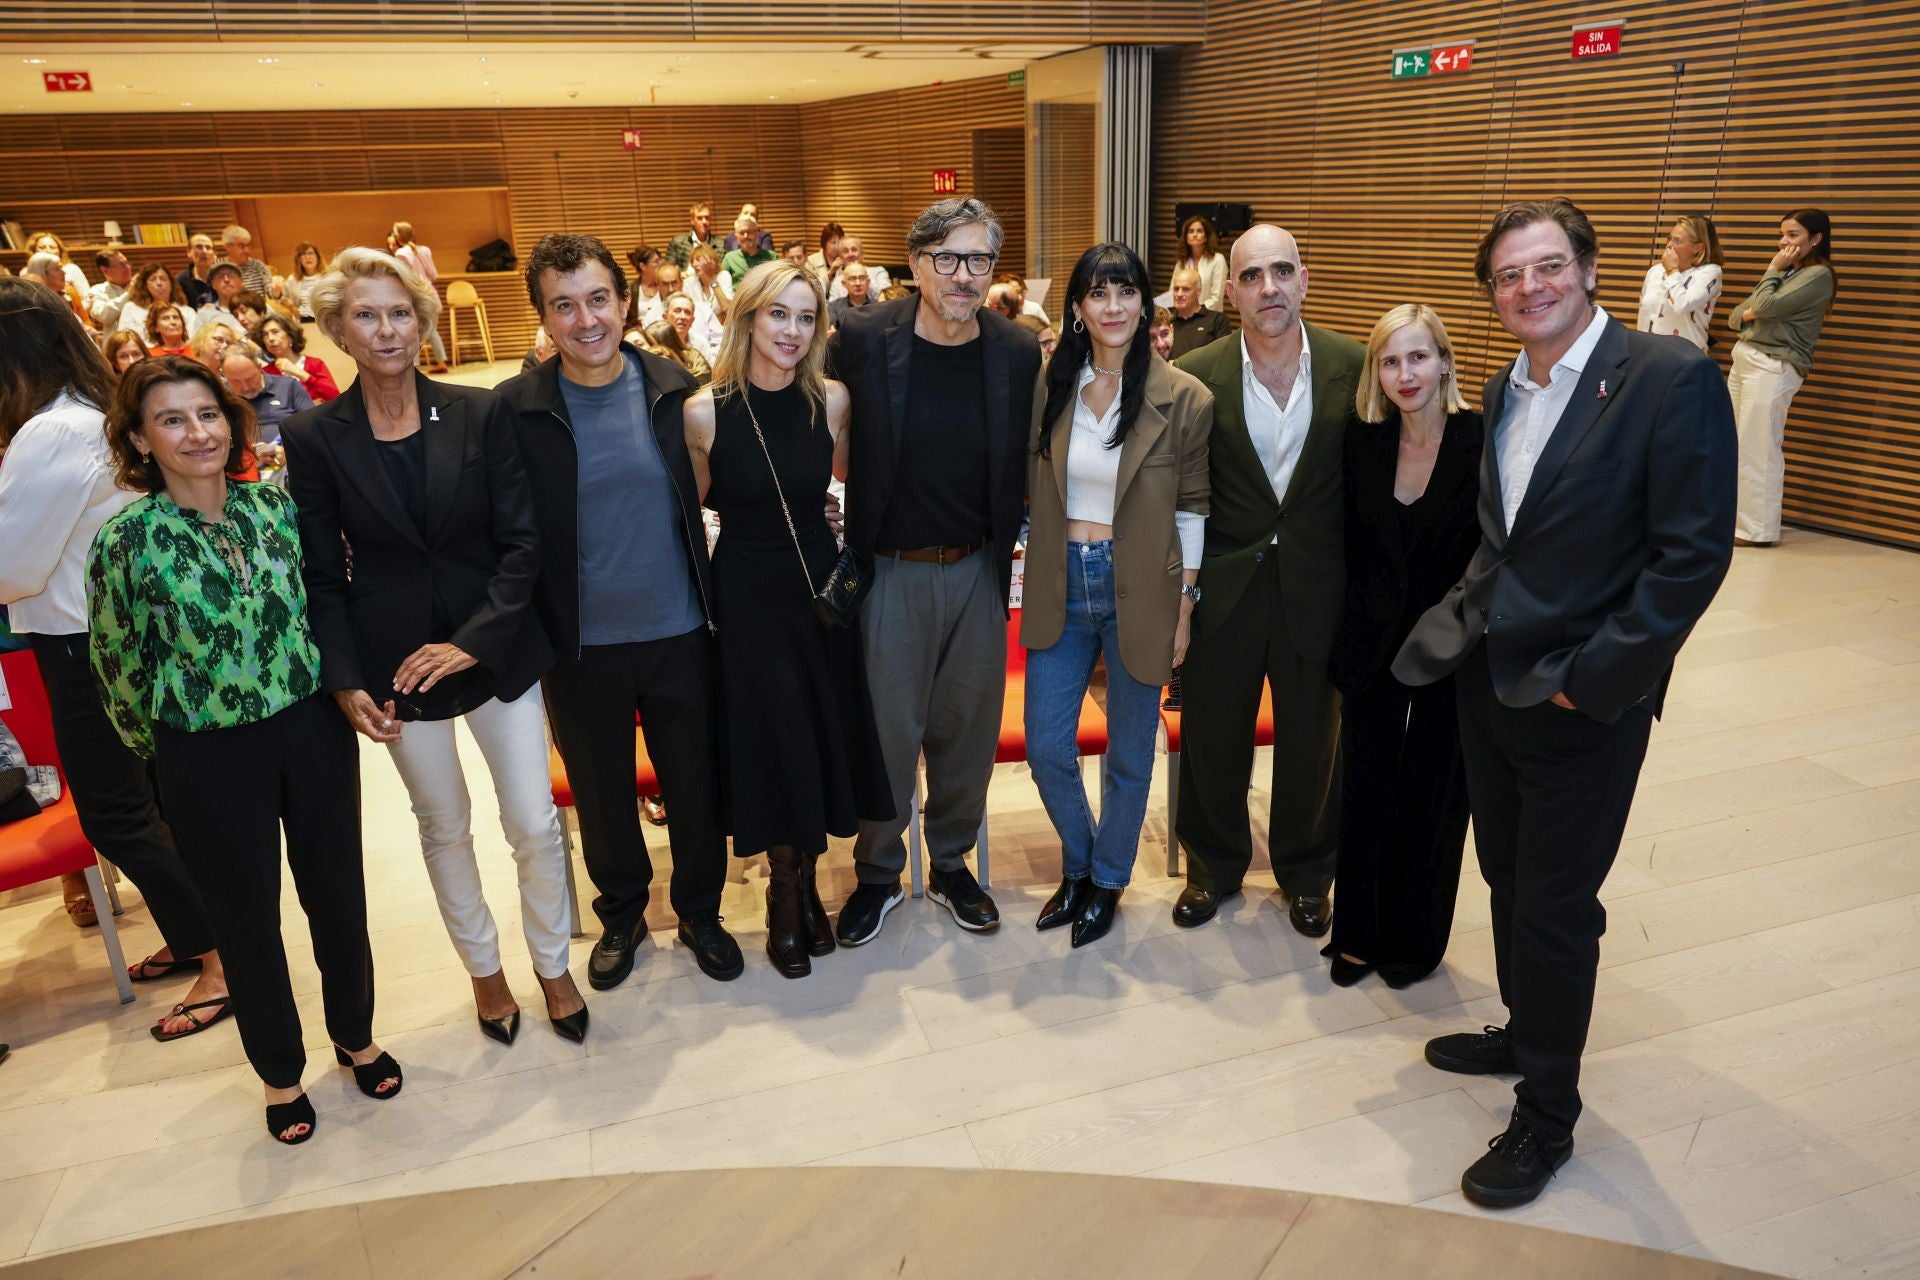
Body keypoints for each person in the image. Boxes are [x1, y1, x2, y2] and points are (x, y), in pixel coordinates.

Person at [1394, 197, 1736, 1207]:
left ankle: (1547, 1113)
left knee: (1553, 904)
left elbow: (1690, 556)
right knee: (1505, 872)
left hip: (1583, 694)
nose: (1527, 288)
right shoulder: (1503, 386)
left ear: (1588, 270)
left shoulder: (1667, 379)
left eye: (1546, 266)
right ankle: (1521, 1026)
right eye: (1506, 276)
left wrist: (1597, 681)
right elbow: (1510, 536)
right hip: (1492, 676)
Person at [90, 357, 401, 1145]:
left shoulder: (276, 510)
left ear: (232, 423)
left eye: (208, 414)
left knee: (337, 895)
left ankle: (355, 1035)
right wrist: (163, 752)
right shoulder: (126, 539)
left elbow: (322, 610)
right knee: (245, 916)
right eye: (172, 419)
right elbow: (117, 665)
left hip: (310, 730)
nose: (197, 433)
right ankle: (279, 1073)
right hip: (204, 751)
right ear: (138, 438)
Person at [283, 246, 585, 1046]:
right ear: (337, 329)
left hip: (497, 650)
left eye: (400, 312)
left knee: (530, 819)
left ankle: (552, 965)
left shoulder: (480, 410)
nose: (387, 329)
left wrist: (471, 642)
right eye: (366, 314)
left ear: (423, 320)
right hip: (392, 667)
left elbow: (525, 545)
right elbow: (321, 575)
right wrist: (343, 679)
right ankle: (486, 974)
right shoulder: (315, 436)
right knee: (442, 823)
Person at [498, 234, 744, 989]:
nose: (585, 320)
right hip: (580, 646)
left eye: (597, 299)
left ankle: (702, 910)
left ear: (624, 300)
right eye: (563, 306)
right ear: (543, 318)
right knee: (603, 796)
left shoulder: (679, 390)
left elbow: (732, 486)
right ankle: (625, 913)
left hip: (680, 630)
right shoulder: (515, 411)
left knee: (695, 785)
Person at [0, 280, 228, 1042]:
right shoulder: (86, 415)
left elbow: (10, 569)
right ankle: (201, 935)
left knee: (119, 816)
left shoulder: (51, 433)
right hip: (125, 642)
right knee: (156, 807)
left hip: (85, 649)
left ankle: (219, 962)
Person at [829, 196, 1043, 945]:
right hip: (889, 572)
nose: (962, 275)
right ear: (916, 264)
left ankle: (951, 862)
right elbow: (815, 419)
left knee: (967, 733)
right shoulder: (860, 337)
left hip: (978, 570)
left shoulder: (1014, 351)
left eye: (978, 259)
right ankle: (880, 872)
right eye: (946, 258)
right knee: (888, 734)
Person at [685, 260, 892, 976]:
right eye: (780, 315)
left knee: (814, 732)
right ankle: (784, 895)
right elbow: (698, 510)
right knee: (771, 739)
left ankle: (806, 886)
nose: (793, 332)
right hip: (746, 592)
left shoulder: (832, 400)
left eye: (807, 318)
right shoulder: (704, 411)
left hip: (817, 592)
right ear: (747, 318)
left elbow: (837, 484)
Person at [1168, 224, 1360, 938]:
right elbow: (1184, 495)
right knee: (1214, 735)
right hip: (1225, 587)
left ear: (1304, 279)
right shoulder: (1198, 374)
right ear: (1231, 291)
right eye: (1252, 276)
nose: (1269, 288)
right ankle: (1211, 868)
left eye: (1282, 272)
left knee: (1315, 738)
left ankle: (1308, 874)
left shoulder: (1355, 364)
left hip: (1319, 584)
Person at [1022, 243, 1212, 947]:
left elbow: (1193, 507)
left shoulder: (1185, 396)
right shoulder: (1053, 384)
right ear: (1077, 308)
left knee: (1132, 752)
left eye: (1125, 292)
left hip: (1146, 587)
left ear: (1144, 303)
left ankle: (1108, 879)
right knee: (1046, 747)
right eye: (1098, 294)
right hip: (1061, 581)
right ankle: (1080, 863)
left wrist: (1186, 604)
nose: (1112, 307)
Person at [1323, 304, 1482, 989]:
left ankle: (1414, 942)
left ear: (1445, 362)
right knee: (1364, 788)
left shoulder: (1483, 439)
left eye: (1418, 357)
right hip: (1371, 642)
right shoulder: (1362, 440)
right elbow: (1351, 550)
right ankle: (1357, 934)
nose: (1405, 373)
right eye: (1390, 361)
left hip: (1453, 644)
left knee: (1436, 792)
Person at [1727, 208, 1836, 547]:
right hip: (1745, 360)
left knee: (1759, 447)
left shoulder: (1818, 275)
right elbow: (1735, 317)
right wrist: (1756, 308)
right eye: (1782, 235)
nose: (1783, 242)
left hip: (1773, 366)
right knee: (1733, 444)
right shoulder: (1790, 273)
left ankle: (1756, 531)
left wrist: (1770, 274)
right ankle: (1732, 522)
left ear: (1815, 239)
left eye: (1793, 235)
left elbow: (1766, 305)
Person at [1636, 215, 1722, 351]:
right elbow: (1643, 316)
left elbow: (1682, 305)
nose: (1669, 244)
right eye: (1670, 238)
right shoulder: (1655, 271)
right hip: (1648, 355)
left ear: (1698, 248)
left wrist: (1672, 270)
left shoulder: (1710, 272)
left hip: (1685, 359)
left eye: (1677, 241)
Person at [220, 350, 311, 475]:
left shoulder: (288, 386)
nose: (245, 387)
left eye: (250, 379)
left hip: (295, 463)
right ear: (224, 375)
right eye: (235, 381)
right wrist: (253, 454)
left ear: (259, 367)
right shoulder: (223, 399)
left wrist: (289, 452)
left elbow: (313, 430)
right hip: (247, 472)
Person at [390, 223, 450, 373]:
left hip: (414, 296)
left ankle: (413, 366)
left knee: (411, 332)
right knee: (431, 330)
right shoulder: (424, 250)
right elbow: (434, 275)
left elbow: (405, 278)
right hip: (430, 294)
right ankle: (441, 362)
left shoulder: (401, 253)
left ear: (398, 236)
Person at [255, 313, 340, 402]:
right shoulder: (266, 373)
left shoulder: (315, 364)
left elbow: (335, 396)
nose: (270, 338)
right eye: (265, 334)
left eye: (275, 332)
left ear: (290, 336)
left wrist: (299, 373)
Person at [119, 262, 198, 344]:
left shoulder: (187, 311)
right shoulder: (131, 308)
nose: (159, 283)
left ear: (171, 283)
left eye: (163, 279)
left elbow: (193, 340)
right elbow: (124, 339)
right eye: (152, 279)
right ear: (144, 285)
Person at [1168, 266, 1231, 358]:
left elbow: (1222, 358)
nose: (1179, 294)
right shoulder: (1166, 318)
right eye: (1176, 289)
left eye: (1186, 289)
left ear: (1198, 292)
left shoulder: (1217, 320)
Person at [1172, 213, 1229, 311]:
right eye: (1191, 231)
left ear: (1206, 237)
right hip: (1184, 315)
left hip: (1209, 316)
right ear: (1186, 237)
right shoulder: (1182, 262)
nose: (1194, 235)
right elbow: (1173, 291)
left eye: (1199, 231)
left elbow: (1217, 297)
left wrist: (1197, 310)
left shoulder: (1218, 260)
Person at [26, 253, 92, 330]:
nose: (64, 272)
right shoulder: (32, 304)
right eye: (57, 269)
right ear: (42, 273)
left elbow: (86, 322)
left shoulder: (69, 293)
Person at [645, 318, 710, 385]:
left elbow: (700, 384)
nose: (648, 348)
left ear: (666, 345)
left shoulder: (695, 358)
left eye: (650, 344)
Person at [220, 224, 274, 300]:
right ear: (228, 247)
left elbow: (270, 290)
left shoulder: (259, 266)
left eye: (248, 245)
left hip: (256, 309)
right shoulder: (218, 267)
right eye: (241, 246)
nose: (246, 250)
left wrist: (276, 291)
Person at [827, 235, 892, 299]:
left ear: (862, 254)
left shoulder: (878, 272)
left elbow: (889, 297)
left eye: (854, 250)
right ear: (840, 258)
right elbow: (832, 308)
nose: (850, 254)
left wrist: (864, 276)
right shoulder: (838, 282)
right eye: (846, 251)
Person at [723, 214, 777, 287]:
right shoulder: (729, 259)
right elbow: (722, 285)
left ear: (757, 233)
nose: (746, 236)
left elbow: (777, 284)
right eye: (742, 233)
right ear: (736, 236)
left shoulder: (772, 257)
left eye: (749, 232)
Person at [87, 249, 132, 332]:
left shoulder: (143, 286)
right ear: (105, 270)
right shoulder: (97, 291)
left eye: (127, 263)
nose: (128, 267)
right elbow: (104, 316)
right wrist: (130, 293)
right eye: (121, 265)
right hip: (114, 342)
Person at [667, 201, 721, 270]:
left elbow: (720, 269)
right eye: (700, 218)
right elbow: (669, 268)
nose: (704, 222)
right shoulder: (678, 242)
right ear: (692, 221)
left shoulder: (719, 244)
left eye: (707, 218)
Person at [283, 242, 326, 322]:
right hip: (303, 319)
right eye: (303, 254)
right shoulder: (293, 279)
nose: (308, 257)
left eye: (311, 253)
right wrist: (292, 308)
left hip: (323, 319)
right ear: (299, 259)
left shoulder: (326, 277)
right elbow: (280, 297)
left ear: (318, 257)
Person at [628, 244, 668, 328]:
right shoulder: (631, 290)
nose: (660, 264)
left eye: (660, 260)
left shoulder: (666, 285)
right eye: (656, 261)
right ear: (643, 266)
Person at [197, 262, 245, 332]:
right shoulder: (204, 314)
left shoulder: (258, 306)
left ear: (241, 281)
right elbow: (198, 341)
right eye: (220, 276)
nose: (226, 280)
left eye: (231, 275)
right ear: (213, 284)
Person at [176, 233, 219, 310]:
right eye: (199, 247)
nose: (204, 251)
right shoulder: (180, 280)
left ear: (215, 255)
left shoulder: (223, 278)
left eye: (208, 248)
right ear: (189, 252)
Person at [827, 261, 875, 329]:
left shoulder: (878, 307)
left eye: (862, 278)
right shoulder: (833, 307)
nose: (858, 283)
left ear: (868, 282)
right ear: (844, 283)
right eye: (852, 279)